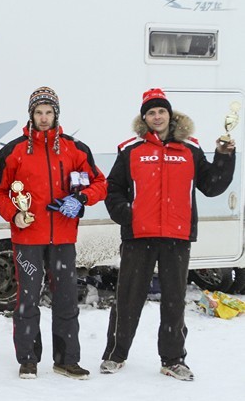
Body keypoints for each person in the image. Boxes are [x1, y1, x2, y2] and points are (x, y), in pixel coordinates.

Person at [100, 88, 235, 381]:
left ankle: (173, 359)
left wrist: (224, 156)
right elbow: (113, 189)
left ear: (170, 115)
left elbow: (211, 186)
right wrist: (128, 214)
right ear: (144, 118)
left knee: (174, 301)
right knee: (128, 298)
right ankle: (115, 354)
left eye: (161, 111)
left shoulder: (190, 150)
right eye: (151, 112)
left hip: (177, 236)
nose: (157, 116)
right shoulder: (131, 150)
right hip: (139, 235)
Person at [0, 86, 107, 380]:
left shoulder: (75, 148)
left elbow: (100, 183)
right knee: (27, 300)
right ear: (31, 114)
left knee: (66, 299)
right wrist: (15, 214)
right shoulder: (14, 150)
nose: (44, 118)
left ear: (56, 114)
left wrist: (80, 199)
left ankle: (66, 360)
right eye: (39, 112)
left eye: (48, 112)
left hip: (63, 239)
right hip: (27, 239)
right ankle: (28, 359)